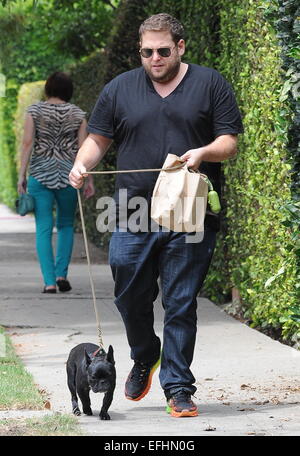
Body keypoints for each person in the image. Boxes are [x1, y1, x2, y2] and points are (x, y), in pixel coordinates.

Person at [69, 13, 243, 417]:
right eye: (147, 52)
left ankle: (179, 388)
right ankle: (146, 353)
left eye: (163, 51)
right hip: (133, 211)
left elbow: (228, 142)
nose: (155, 59)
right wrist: (83, 164)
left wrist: (204, 152)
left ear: (180, 47)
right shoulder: (120, 89)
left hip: (189, 211)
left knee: (181, 302)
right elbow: (97, 139)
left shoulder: (210, 84)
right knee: (129, 292)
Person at [18, 71, 95, 294]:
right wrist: (88, 178)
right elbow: (84, 149)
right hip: (69, 176)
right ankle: (62, 274)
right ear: (68, 91)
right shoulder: (78, 114)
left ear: (48, 89)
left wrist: (22, 176)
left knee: (43, 228)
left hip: (40, 175)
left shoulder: (34, 111)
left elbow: (27, 144)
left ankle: (49, 282)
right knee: (65, 225)